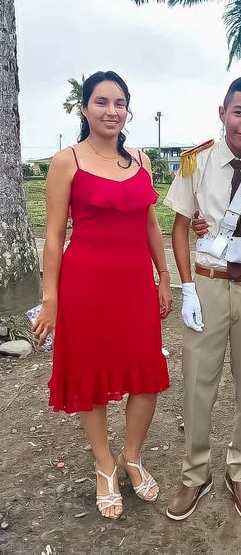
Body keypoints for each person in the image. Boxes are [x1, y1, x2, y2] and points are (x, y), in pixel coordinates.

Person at [33, 71, 171, 520]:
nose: (112, 111)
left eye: (120, 103)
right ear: (84, 108)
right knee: (91, 375)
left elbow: (151, 225)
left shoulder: (141, 161)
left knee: (146, 374)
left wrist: (163, 275)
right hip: (85, 286)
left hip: (135, 285)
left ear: (127, 109)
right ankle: (104, 465)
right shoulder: (66, 161)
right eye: (101, 102)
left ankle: (132, 455)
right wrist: (50, 298)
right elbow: (54, 235)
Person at [163, 75, 241, 523]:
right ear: (223, 113)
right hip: (208, 284)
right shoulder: (195, 162)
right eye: (240, 112)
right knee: (197, 380)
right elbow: (179, 228)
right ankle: (195, 473)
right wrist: (187, 288)